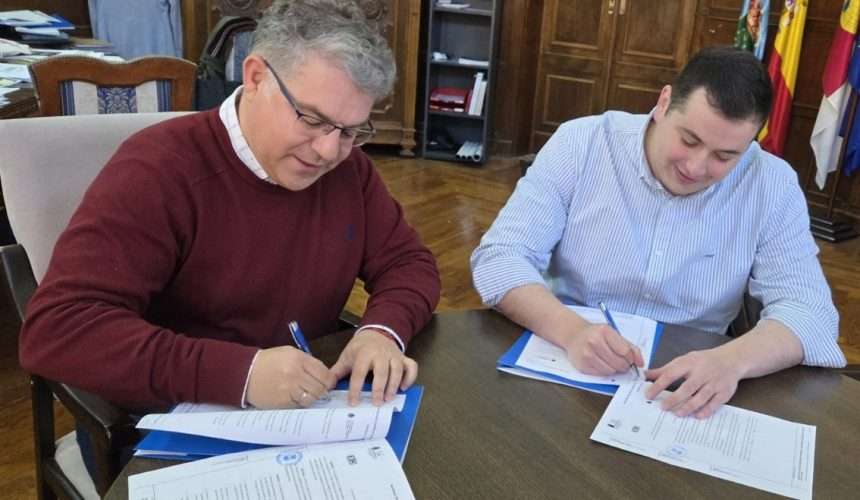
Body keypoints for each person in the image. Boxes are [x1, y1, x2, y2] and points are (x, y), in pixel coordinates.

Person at [19, 0, 441, 415]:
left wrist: (381, 331)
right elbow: (59, 331)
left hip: (302, 409)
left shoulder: (349, 171)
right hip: (170, 417)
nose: (329, 151)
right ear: (255, 77)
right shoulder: (158, 169)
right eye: (312, 119)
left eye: (350, 131)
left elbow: (408, 262)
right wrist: (242, 373)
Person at [471, 46, 846, 420]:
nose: (696, 167)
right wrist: (570, 331)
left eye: (724, 156)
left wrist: (732, 360)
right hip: (567, 358)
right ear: (664, 103)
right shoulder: (582, 143)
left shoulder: (772, 184)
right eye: (689, 140)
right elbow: (500, 257)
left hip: (689, 381)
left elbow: (810, 314)